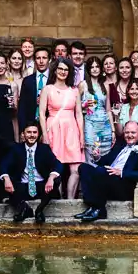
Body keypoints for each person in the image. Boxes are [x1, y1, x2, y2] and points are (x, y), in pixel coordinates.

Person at [77, 119, 138, 222]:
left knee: (102, 172)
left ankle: (99, 209)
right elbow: (105, 160)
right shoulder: (120, 145)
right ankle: (92, 206)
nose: (129, 135)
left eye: (133, 132)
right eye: (127, 132)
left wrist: (120, 172)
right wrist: (97, 157)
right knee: (84, 168)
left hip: (123, 185)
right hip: (107, 177)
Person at [39, 57, 85, 199]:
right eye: (60, 69)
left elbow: (78, 114)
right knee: (55, 168)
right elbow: (41, 113)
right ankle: (57, 199)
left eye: (66, 69)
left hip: (71, 129)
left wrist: (81, 135)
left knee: (75, 169)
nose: (63, 72)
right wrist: (44, 135)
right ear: (55, 70)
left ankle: (70, 200)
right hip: (53, 128)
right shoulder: (48, 89)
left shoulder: (74, 90)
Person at [0, 122, 61, 224]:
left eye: (34, 132)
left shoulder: (44, 148)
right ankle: (24, 208)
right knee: (4, 179)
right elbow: (4, 165)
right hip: (23, 186)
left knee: (56, 179)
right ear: (23, 134)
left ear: (38, 134)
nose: (32, 135)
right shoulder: (16, 149)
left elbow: (57, 164)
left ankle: (39, 210)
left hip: (42, 187)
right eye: (28, 132)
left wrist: (51, 178)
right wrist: (6, 179)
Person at [82, 56, 115, 164]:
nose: (95, 69)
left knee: (105, 156)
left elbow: (108, 109)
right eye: (92, 67)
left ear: (101, 69)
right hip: (90, 124)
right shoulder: (83, 85)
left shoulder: (105, 85)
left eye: (97, 66)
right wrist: (84, 105)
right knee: (91, 154)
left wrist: (113, 130)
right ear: (88, 69)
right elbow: (75, 106)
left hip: (105, 125)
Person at [19, 49, 53, 133]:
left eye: (44, 58)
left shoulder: (54, 79)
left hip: (50, 124)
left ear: (49, 60)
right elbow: (22, 107)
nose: (41, 61)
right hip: (31, 126)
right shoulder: (27, 80)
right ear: (34, 60)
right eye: (38, 58)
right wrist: (22, 129)